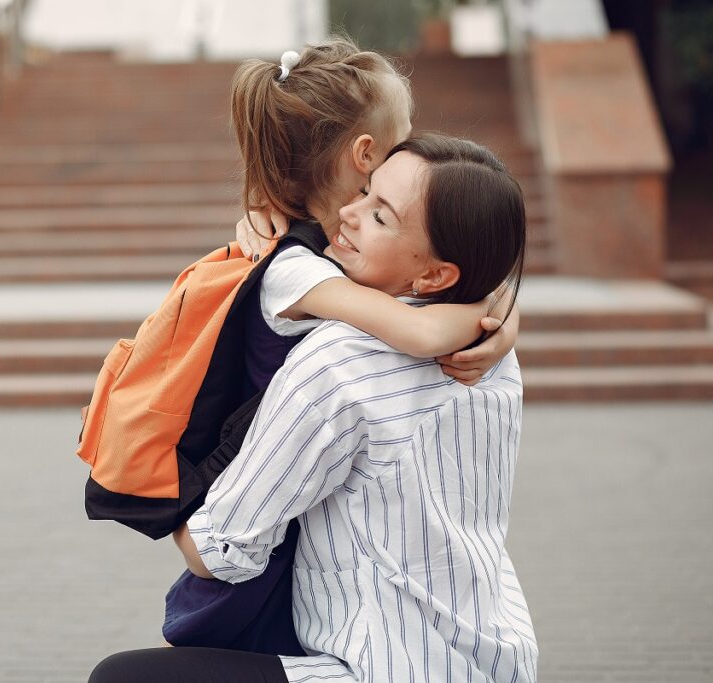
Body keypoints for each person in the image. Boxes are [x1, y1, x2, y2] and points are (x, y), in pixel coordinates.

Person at [91, 134, 537, 682]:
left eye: (380, 216)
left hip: (380, 669)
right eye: (366, 190)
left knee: (124, 679)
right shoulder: (490, 350)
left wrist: (160, 497)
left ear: (435, 276)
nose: (347, 212)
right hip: (496, 658)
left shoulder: (337, 361)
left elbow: (220, 551)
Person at [159, 40, 520, 656]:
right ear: (366, 154)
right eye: (405, 134)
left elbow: (439, 284)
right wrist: (494, 320)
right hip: (259, 499)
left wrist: (499, 311)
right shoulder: (295, 266)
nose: (415, 142)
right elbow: (422, 330)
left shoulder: (335, 254)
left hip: (297, 499)